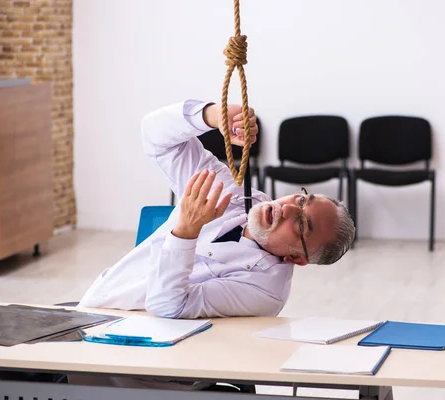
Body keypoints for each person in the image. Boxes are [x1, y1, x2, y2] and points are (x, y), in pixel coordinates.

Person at [77, 98, 355, 320]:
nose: (287, 209)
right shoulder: (235, 194)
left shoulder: (265, 290)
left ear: (297, 259)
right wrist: (212, 116)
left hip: (139, 350)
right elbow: (155, 136)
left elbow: (167, 306)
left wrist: (187, 230)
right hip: (92, 307)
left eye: (301, 224)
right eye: (302, 199)